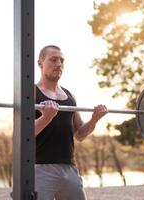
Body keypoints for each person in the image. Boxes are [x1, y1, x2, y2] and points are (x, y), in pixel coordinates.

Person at [35, 45, 108, 200]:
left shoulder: (69, 96)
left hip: (69, 168)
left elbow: (80, 134)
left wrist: (94, 120)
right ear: (40, 63)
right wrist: (46, 117)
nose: (59, 64)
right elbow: (23, 134)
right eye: (53, 60)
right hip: (40, 168)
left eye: (62, 61)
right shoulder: (30, 93)